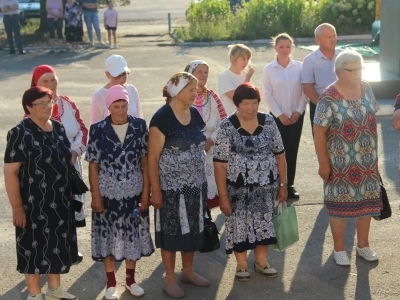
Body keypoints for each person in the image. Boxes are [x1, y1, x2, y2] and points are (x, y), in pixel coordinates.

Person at [4, 86, 78, 300]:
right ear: (28, 107)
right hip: (32, 204)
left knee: (57, 246)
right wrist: (17, 208)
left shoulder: (57, 128)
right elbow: (11, 173)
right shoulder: (20, 133)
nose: (47, 107)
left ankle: (54, 290)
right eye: (41, 103)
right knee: (33, 250)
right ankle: (34, 295)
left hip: (60, 202)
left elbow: (64, 156)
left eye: (50, 102)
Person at [213, 82, 288, 282]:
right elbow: (219, 165)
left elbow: (280, 155)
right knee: (239, 226)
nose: (250, 108)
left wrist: (283, 185)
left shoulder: (269, 122)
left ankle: (262, 262)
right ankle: (241, 264)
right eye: (245, 103)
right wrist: (223, 197)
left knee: (265, 223)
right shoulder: (227, 126)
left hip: (266, 187)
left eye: (254, 103)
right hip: (237, 189)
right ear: (237, 104)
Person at [85, 85, 154, 300]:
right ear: (109, 107)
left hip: (134, 192)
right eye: (116, 105)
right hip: (107, 194)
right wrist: (95, 195)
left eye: (124, 105)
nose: (121, 110)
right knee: (108, 236)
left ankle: (131, 280)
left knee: (132, 235)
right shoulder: (98, 129)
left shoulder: (140, 126)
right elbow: (93, 165)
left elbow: (145, 160)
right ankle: (111, 282)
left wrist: (146, 192)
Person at [313, 50, 381, 266]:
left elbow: (373, 118)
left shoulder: (367, 88)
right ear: (340, 71)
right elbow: (319, 132)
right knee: (339, 207)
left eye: (361, 68)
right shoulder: (328, 96)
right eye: (354, 70)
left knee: (367, 205)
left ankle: (363, 245)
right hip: (339, 164)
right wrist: (324, 163)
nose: (359, 73)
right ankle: (339, 248)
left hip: (368, 163)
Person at [148, 72, 210, 298]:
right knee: (172, 232)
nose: (196, 93)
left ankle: (188, 272)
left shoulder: (194, 113)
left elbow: (202, 142)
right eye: (191, 90)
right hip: (171, 189)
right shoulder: (161, 118)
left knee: (192, 229)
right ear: (177, 91)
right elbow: (152, 158)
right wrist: (156, 191)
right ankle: (170, 279)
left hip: (196, 185)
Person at [30, 65, 88, 261]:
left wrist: (75, 151)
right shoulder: (31, 107)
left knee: (71, 207)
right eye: (45, 81)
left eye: (53, 80)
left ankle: (71, 248)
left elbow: (82, 130)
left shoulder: (67, 103)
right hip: (45, 171)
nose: (50, 85)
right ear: (36, 83)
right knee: (49, 210)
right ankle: (49, 250)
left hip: (71, 166)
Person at [262, 33, 307, 200]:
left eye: (288, 46)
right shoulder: (268, 69)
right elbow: (267, 94)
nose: (284, 50)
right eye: (281, 46)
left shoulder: (300, 67)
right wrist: (279, 115)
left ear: (292, 47)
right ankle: (278, 184)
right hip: (277, 118)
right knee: (277, 152)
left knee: (292, 150)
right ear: (275, 48)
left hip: (296, 116)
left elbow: (305, 91)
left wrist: (298, 111)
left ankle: (290, 185)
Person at [184, 60, 227, 209]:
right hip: (189, 151)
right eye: (199, 72)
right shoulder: (182, 97)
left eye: (206, 72)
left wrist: (212, 140)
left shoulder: (213, 97)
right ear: (190, 75)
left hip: (210, 150)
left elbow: (224, 122)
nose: (203, 75)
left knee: (210, 195)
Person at [301, 23, 341, 131]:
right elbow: (307, 89)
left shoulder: (343, 56)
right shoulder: (310, 60)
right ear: (317, 40)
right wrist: (325, 107)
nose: (333, 39)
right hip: (319, 107)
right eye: (329, 37)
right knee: (322, 144)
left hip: (344, 106)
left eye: (334, 35)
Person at [90, 54, 143, 124]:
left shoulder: (132, 90)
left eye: (124, 74)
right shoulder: (98, 96)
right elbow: (95, 127)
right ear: (107, 74)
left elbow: (140, 118)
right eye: (117, 75)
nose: (121, 79)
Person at [218, 43, 254, 115]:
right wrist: (248, 78)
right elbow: (238, 98)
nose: (246, 62)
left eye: (247, 59)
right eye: (243, 59)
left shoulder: (245, 74)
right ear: (232, 58)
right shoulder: (224, 76)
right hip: (230, 119)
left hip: (245, 118)